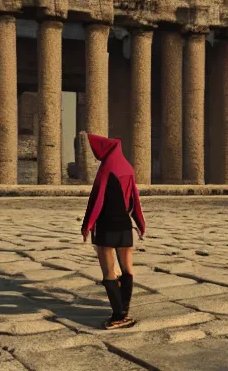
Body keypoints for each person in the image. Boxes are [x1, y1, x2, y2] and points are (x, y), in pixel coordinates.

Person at [81, 133, 146, 330]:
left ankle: (119, 316)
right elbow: (135, 198)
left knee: (109, 271)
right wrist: (140, 224)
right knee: (127, 269)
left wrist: (87, 225)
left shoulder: (106, 168)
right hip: (125, 225)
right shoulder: (127, 167)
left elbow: (98, 199)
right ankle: (124, 310)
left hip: (107, 225)